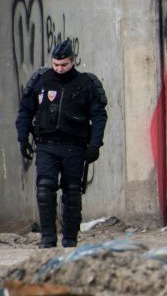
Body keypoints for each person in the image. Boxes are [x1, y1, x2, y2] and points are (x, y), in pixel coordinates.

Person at [16, 40, 107, 248]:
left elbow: (99, 116)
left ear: (73, 62)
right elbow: (25, 111)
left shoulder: (86, 84)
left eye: (64, 65)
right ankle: (47, 239)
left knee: (72, 192)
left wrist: (95, 145)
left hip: (74, 146)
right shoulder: (41, 80)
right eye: (56, 64)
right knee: (45, 189)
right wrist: (23, 138)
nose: (59, 69)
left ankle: (70, 240)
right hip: (47, 144)